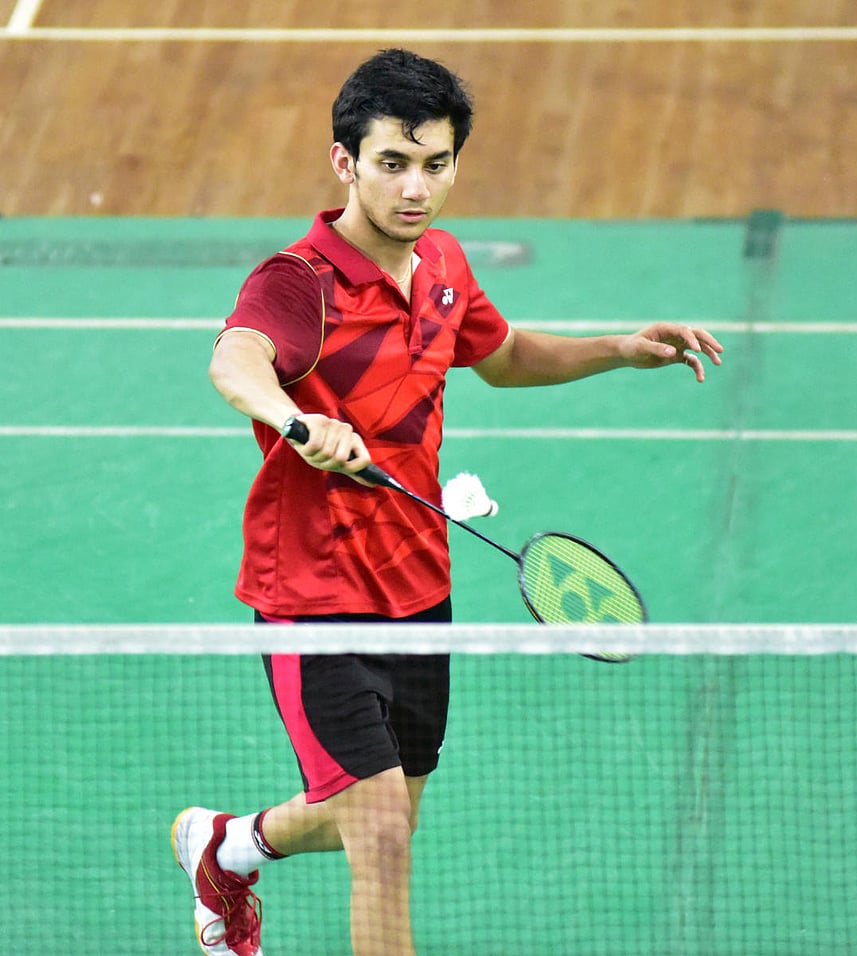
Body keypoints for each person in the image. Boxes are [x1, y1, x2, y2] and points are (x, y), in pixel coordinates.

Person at [171, 47, 723, 956]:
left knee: (379, 817)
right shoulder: (298, 281)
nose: (415, 187)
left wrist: (619, 348)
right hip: (310, 595)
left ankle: (227, 846)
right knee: (380, 833)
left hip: (419, 586)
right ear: (346, 162)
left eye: (436, 163)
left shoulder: (441, 263)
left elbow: (501, 356)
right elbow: (234, 359)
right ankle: (230, 852)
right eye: (393, 163)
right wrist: (294, 417)